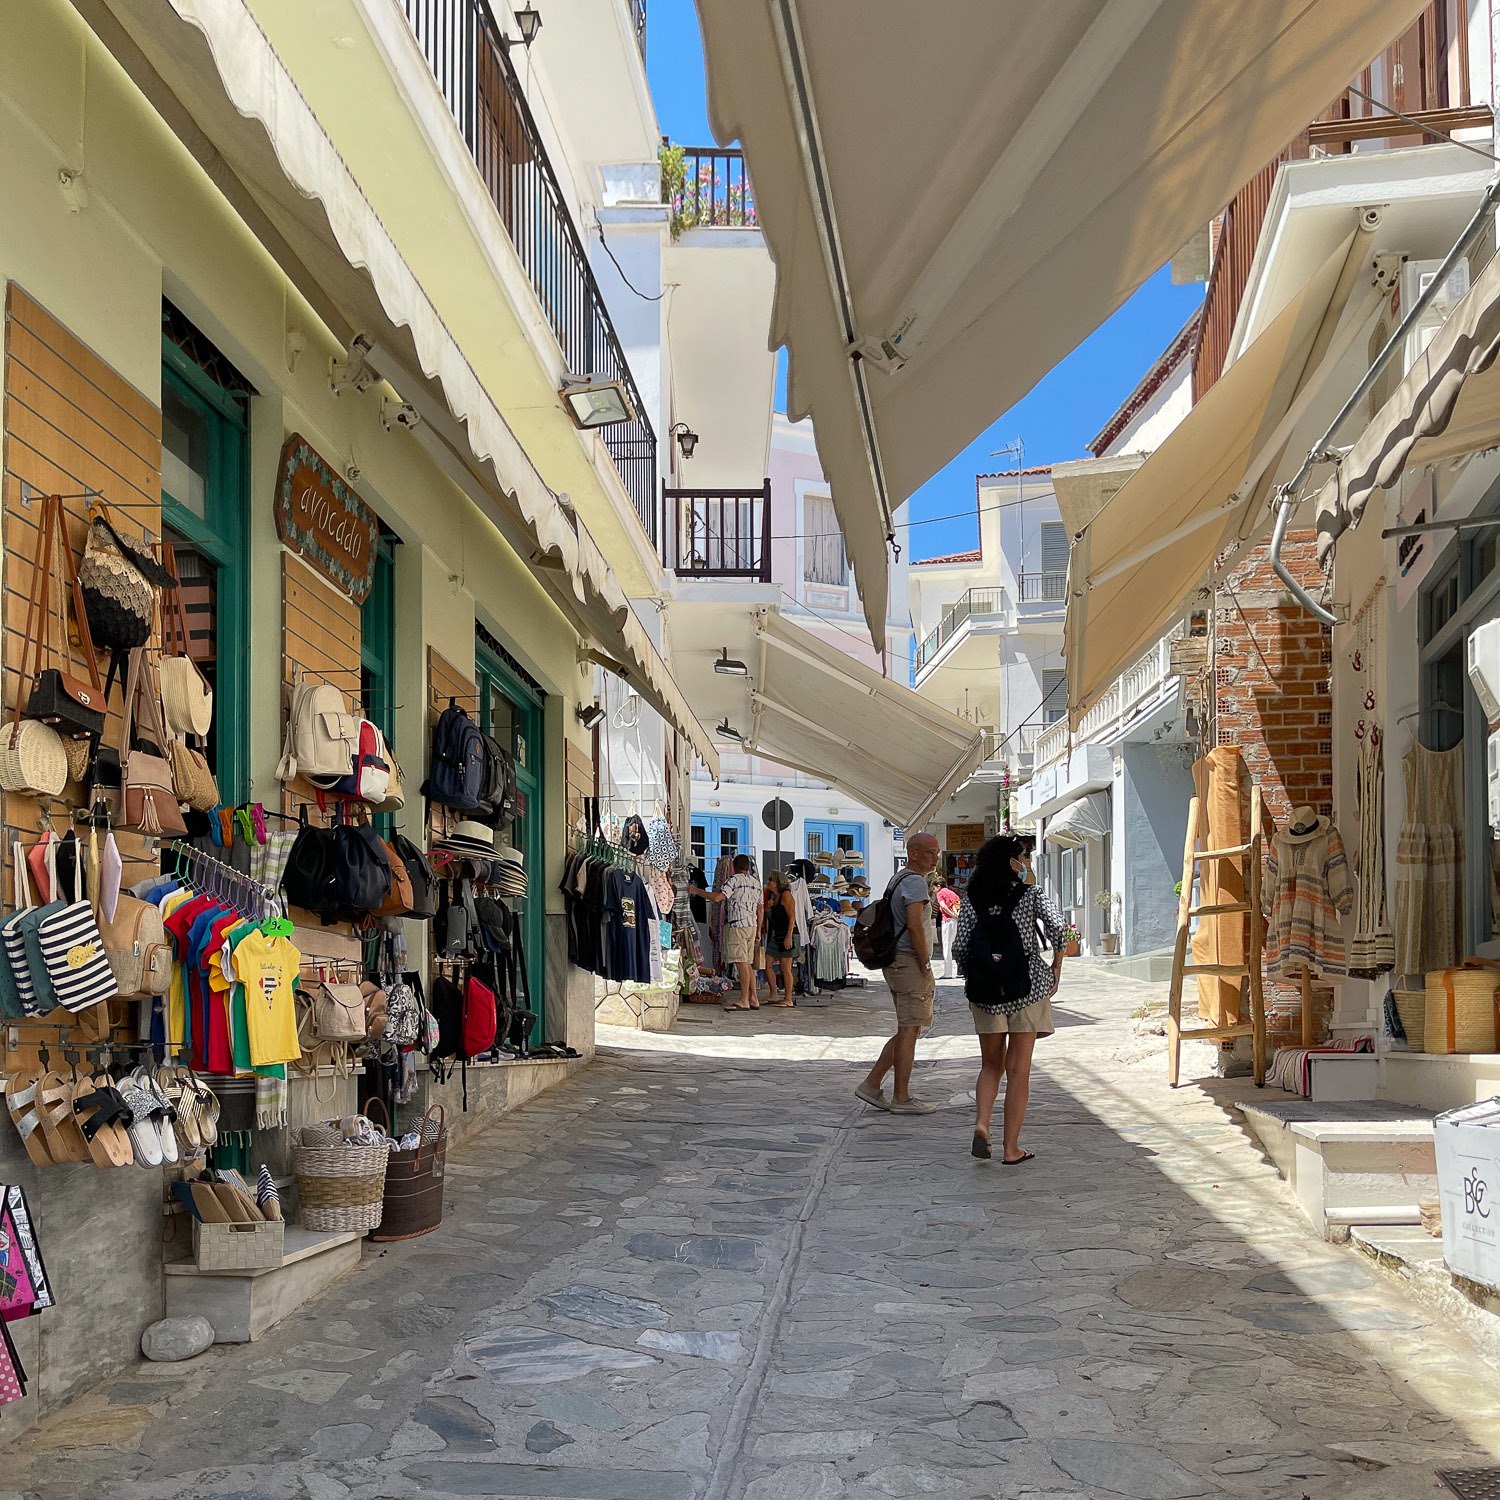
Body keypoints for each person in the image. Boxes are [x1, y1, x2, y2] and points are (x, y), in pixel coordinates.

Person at [953, 834, 1065, 1163]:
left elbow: (961, 947)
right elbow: (1058, 928)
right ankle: (1011, 1149)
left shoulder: (971, 899)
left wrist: (978, 973)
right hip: (1026, 987)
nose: (1025, 864)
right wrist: (1056, 965)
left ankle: (981, 1124)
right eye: (1023, 858)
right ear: (1011, 862)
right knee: (1019, 1070)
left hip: (985, 991)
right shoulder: (1030, 894)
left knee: (991, 1066)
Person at [856, 831, 940, 1115]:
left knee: (909, 1028)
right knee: (909, 1030)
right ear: (913, 853)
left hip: (896, 961)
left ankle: (872, 1083)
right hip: (909, 962)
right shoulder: (915, 883)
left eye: (937, 852)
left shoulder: (899, 878)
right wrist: (926, 962)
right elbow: (915, 925)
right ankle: (901, 1097)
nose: (935, 858)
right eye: (930, 852)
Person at [720, 855, 763, 1010]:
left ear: (734, 866)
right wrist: (759, 929)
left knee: (742, 963)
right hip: (751, 925)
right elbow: (761, 908)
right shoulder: (756, 883)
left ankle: (744, 1000)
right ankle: (754, 999)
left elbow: (720, 897)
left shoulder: (733, 881)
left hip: (738, 925)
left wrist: (697, 891)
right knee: (749, 964)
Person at [762, 870, 798, 1006]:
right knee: (767, 964)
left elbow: (792, 916)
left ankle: (788, 998)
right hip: (775, 934)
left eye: (771, 880)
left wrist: (789, 936)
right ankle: (773, 994)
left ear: (777, 882)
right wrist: (768, 910)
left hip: (785, 933)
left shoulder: (786, 895)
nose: (768, 882)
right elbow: (772, 919)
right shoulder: (773, 897)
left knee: (785, 967)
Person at [935, 877, 961, 979]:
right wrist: (957, 916)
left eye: (934, 887)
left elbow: (944, 906)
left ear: (938, 886)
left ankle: (948, 972)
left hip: (947, 920)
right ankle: (960, 970)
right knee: (955, 945)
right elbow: (959, 904)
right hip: (955, 922)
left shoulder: (940, 893)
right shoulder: (952, 893)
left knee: (947, 946)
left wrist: (952, 915)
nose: (934, 890)